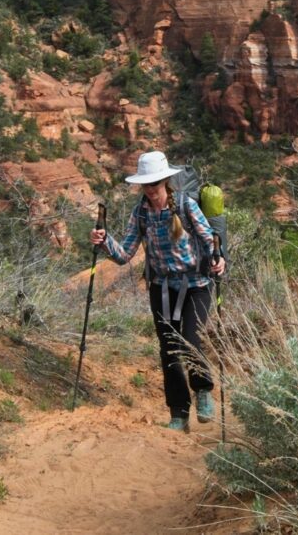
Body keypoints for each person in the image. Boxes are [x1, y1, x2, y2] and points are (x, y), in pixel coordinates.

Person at [91, 150, 226, 432]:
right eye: (146, 185)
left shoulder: (187, 206)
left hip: (196, 287)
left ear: (166, 181)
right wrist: (105, 242)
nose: (151, 190)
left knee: (190, 339)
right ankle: (178, 413)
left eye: (155, 184)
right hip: (162, 288)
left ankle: (202, 390)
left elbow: (208, 237)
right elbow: (124, 254)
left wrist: (219, 258)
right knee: (168, 350)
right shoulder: (140, 212)